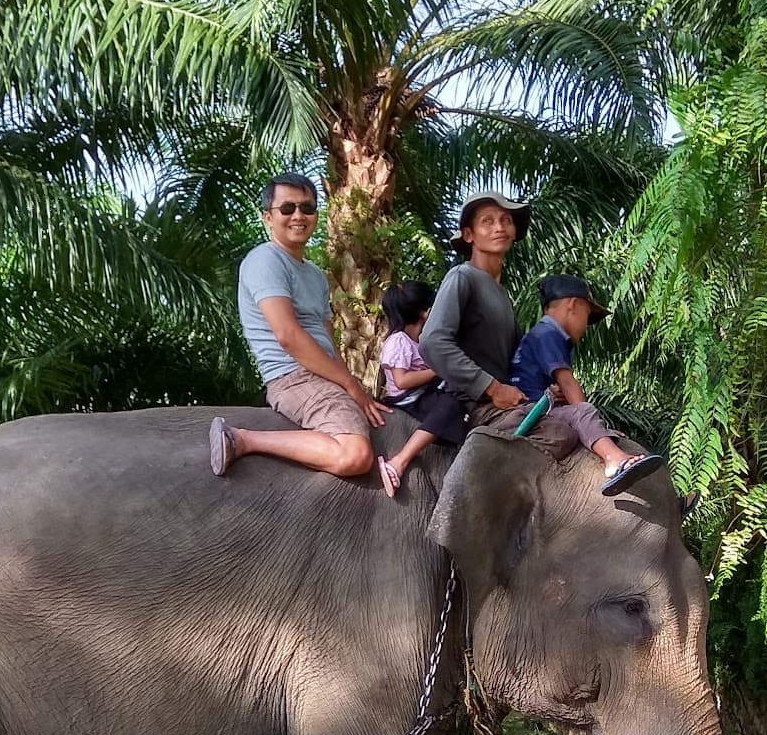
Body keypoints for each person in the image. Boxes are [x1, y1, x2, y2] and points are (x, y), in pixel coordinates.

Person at [210, 172, 390, 478]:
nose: (298, 215)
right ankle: (242, 439)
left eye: (307, 208)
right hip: (294, 378)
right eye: (287, 208)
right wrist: (350, 386)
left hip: (322, 376)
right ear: (268, 217)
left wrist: (349, 383)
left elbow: (327, 338)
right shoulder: (265, 260)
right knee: (355, 455)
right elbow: (288, 336)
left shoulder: (315, 275)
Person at [511, 274, 666, 496]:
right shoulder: (548, 334)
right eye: (587, 315)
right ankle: (614, 459)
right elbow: (567, 383)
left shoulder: (544, 335)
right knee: (583, 412)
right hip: (531, 412)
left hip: (539, 407)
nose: (586, 326)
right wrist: (588, 418)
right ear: (573, 304)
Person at [419, 191, 532, 428]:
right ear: (469, 235)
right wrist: (492, 388)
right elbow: (432, 341)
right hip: (470, 403)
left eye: (506, 220)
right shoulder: (462, 276)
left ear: (514, 232)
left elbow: (517, 358)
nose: (499, 227)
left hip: (503, 401)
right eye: (487, 221)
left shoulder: (501, 294)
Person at [375, 281, 469, 497]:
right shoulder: (398, 341)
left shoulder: (418, 340)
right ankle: (398, 462)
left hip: (424, 391)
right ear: (425, 313)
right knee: (450, 405)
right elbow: (402, 381)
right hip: (409, 398)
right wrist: (438, 371)